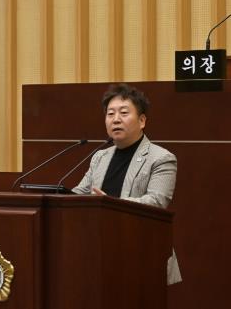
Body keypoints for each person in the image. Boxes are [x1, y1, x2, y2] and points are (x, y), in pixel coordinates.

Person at [73, 83, 182, 285]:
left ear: (142, 121)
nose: (116, 119)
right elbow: (81, 192)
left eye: (124, 113)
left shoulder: (161, 158)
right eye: (110, 114)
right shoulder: (100, 156)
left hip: (143, 254)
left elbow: (157, 202)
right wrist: (58, 195)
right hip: (99, 252)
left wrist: (110, 204)